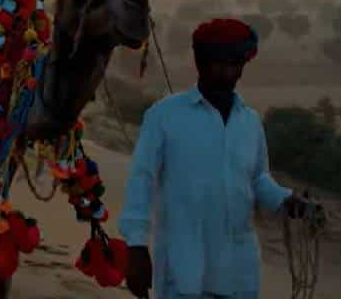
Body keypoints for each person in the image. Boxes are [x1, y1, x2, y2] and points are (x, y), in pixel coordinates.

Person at [118, 17, 320, 299]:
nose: (228, 72)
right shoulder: (164, 116)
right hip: (185, 272)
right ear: (200, 63)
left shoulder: (249, 122)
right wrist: (136, 247)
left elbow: (258, 178)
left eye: (235, 64)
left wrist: (287, 200)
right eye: (219, 63)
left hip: (239, 274)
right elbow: (141, 180)